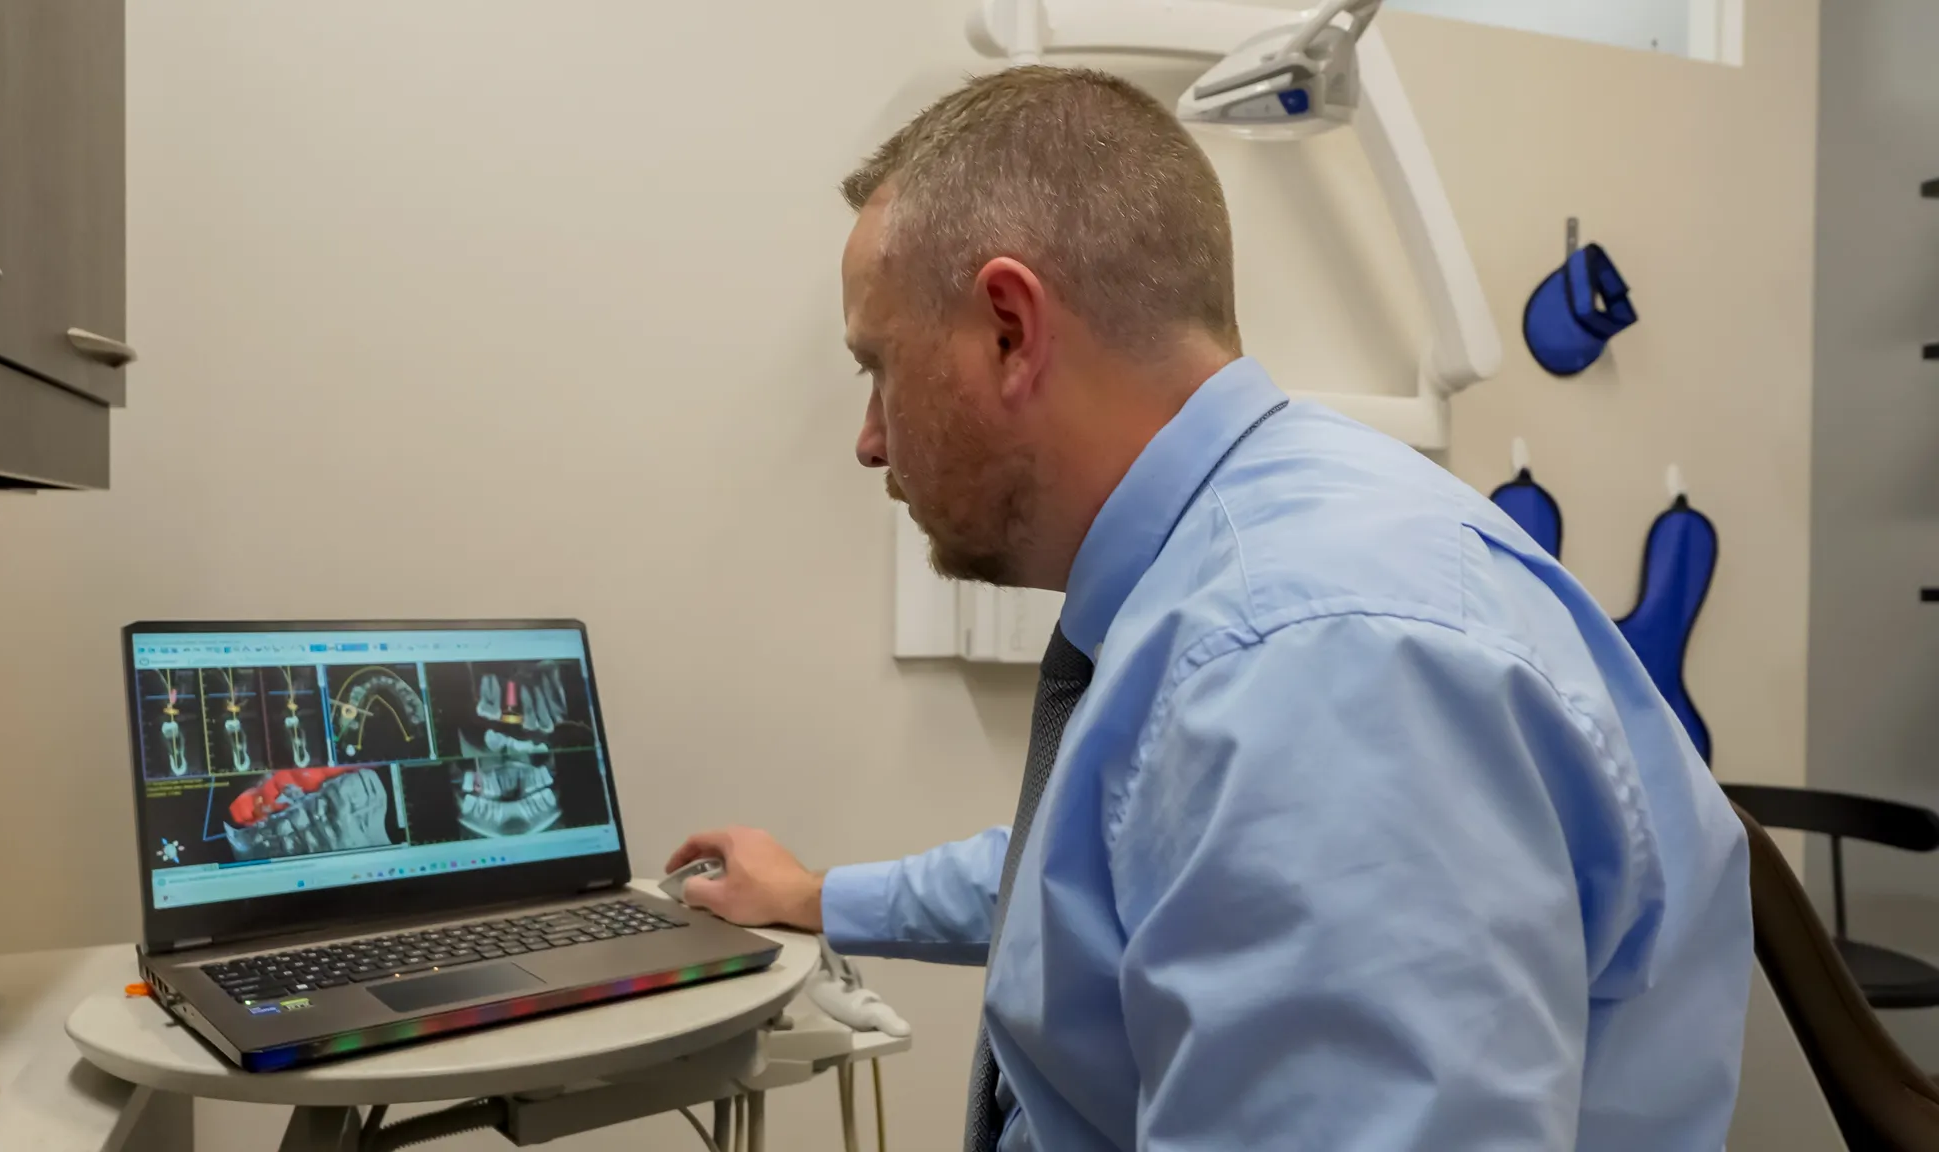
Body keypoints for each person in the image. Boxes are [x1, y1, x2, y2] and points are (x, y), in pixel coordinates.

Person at [669, 66, 1751, 1151]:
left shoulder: (1311, 661)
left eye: (878, 367)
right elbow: (1106, 859)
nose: (868, 436)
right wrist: (819, 895)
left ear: (1008, 329)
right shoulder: (1231, 592)